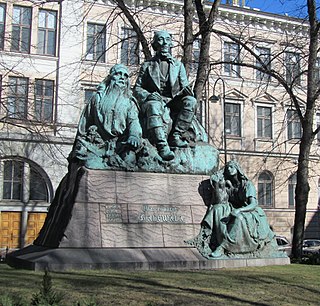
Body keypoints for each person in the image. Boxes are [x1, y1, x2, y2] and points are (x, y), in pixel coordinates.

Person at [189, 160, 276, 258]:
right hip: (233, 208)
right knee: (217, 209)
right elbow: (219, 201)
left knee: (238, 218)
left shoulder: (247, 184)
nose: (229, 169)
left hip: (249, 211)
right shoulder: (229, 184)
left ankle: (223, 247)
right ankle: (208, 236)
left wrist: (240, 210)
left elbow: (253, 204)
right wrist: (217, 184)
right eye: (227, 168)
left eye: (231, 167)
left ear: (237, 169)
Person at [134, 30, 197, 161]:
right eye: (161, 40)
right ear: (155, 44)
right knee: (154, 106)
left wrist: (187, 91)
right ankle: (162, 146)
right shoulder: (147, 65)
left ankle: (176, 136)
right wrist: (148, 95)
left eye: (167, 40)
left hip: (173, 100)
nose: (164, 43)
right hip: (154, 100)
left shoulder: (178, 65)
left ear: (171, 44)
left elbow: (184, 85)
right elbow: (137, 88)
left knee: (191, 101)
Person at [74, 64, 142, 167]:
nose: (122, 77)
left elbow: (134, 121)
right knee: (91, 164)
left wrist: (134, 135)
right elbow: (85, 124)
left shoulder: (130, 102)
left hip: (121, 144)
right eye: (118, 74)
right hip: (98, 144)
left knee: (130, 162)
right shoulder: (97, 99)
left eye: (125, 75)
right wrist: (82, 141)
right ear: (110, 77)